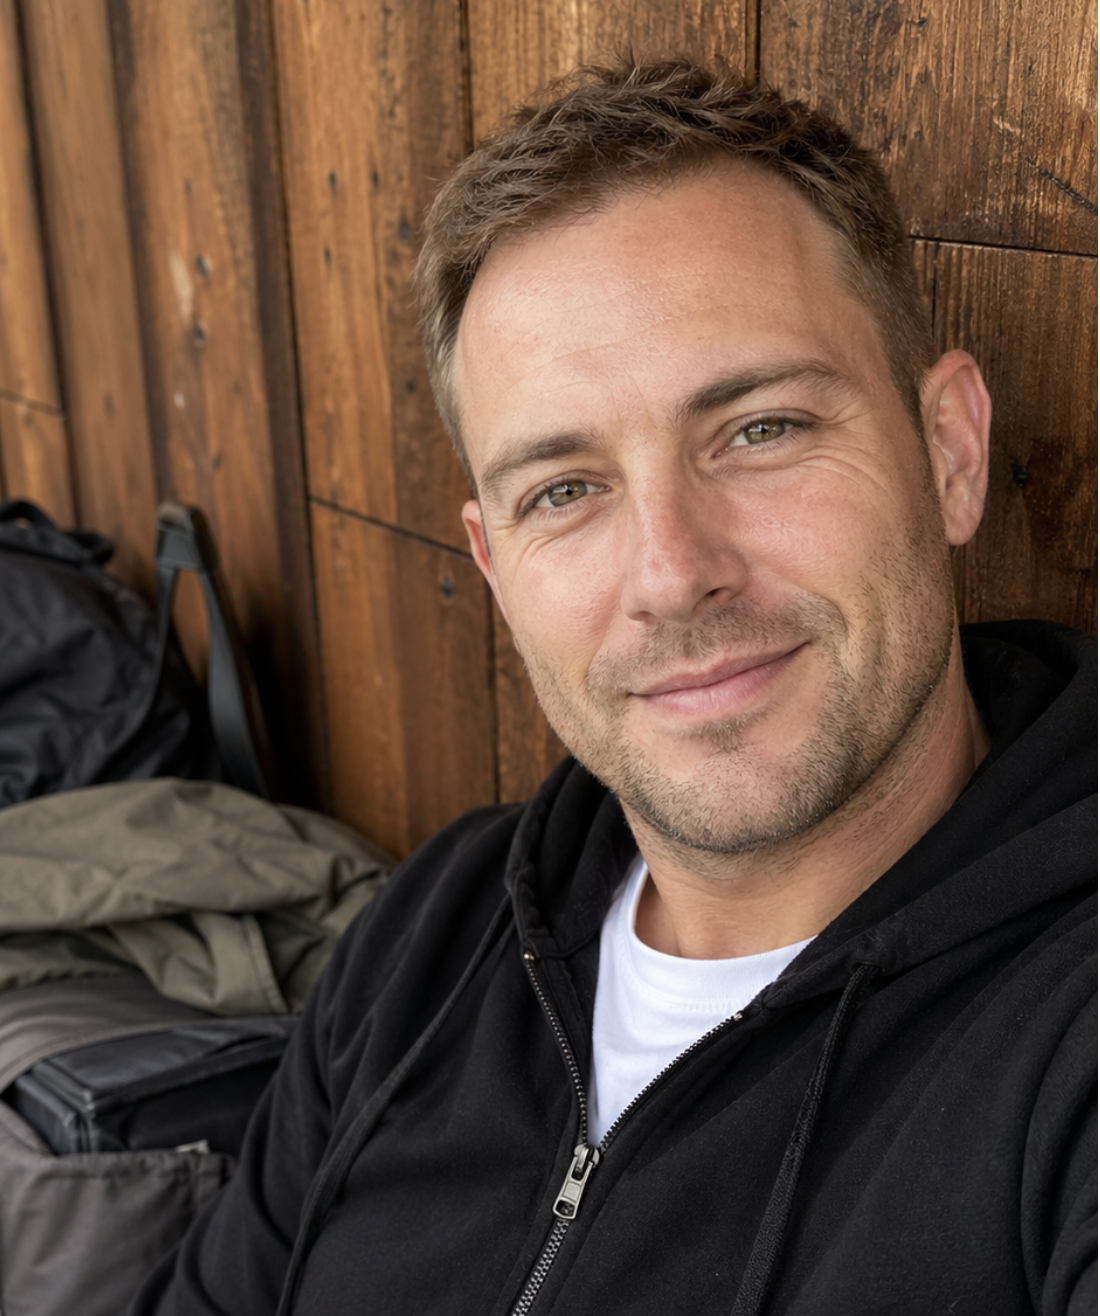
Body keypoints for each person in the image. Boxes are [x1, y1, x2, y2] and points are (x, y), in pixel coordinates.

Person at [130, 60, 1096, 1316]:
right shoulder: (437, 934)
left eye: (759, 428)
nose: (670, 573)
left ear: (948, 450)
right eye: (565, 490)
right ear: (494, 564)